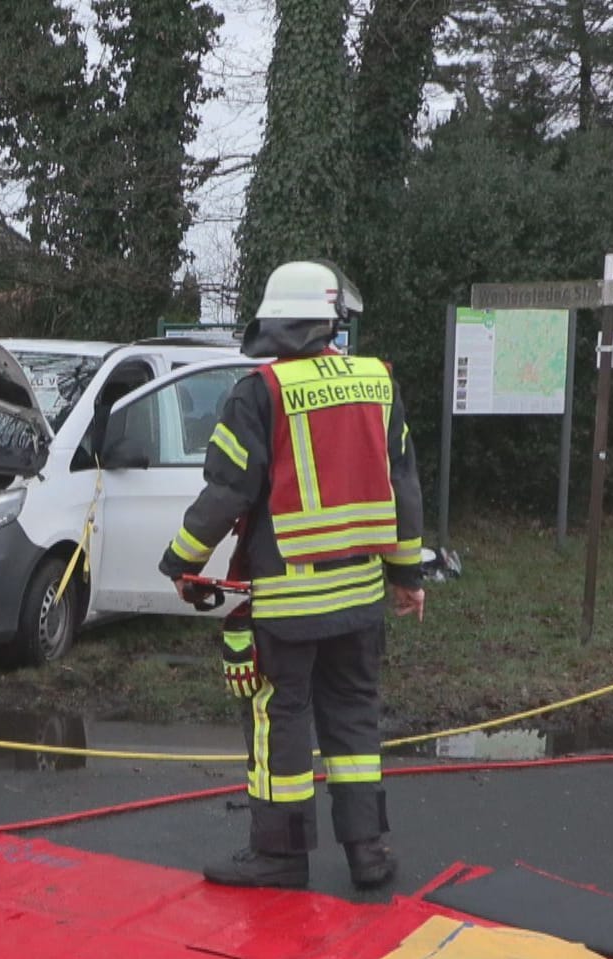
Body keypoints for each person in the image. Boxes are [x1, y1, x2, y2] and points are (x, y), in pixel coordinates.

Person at [158, 259, 425, 890]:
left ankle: (280, 854)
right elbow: (404, 485)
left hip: (289, 602)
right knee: (355, 719)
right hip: (360, 598)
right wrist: (407, 575)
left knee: (282, 717)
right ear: (330, 322)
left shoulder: (261, 391)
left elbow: (229, 490)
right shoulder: (376, 380)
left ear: (276, 327)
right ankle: (368, 853)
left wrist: (183, 561)